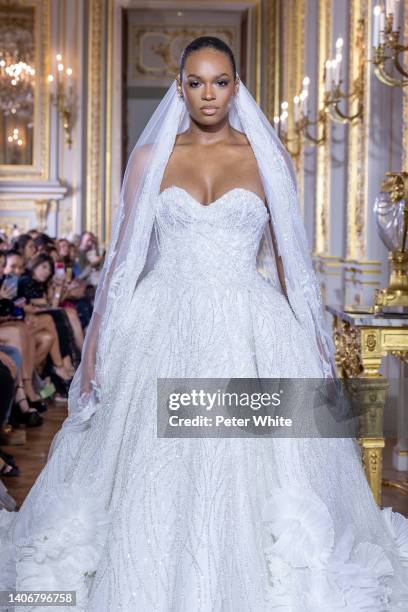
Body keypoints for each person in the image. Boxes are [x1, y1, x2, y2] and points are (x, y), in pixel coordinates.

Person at [0, 36, 407, 611]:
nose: (208, 93)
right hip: (160, 324)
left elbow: (293, 264)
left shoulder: (266, 158)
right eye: (196, 82)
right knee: (148, 462)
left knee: (247, 465)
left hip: (249, 327)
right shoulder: (151, 159)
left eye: (219, 82)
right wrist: (92, 355)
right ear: (180, 88)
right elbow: (123, 261)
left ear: (236, 87)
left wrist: (314, 353)